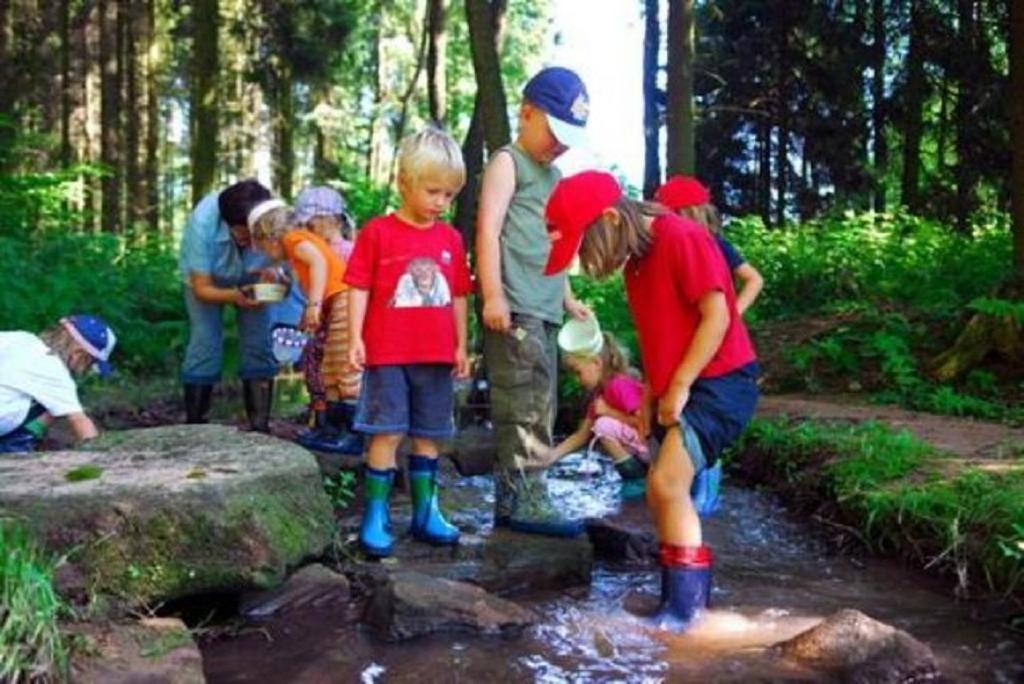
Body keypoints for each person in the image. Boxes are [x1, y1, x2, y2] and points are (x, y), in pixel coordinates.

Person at [544, 170, 760, 632]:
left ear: (610, 220)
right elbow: (659, 336)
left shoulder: (682, 236)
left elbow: (717, 315)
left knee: (664, 483)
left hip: (720, 381)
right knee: (664, 494)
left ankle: (685, 615)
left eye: (583, 247)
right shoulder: (638, 263)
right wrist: (647, 395)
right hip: (678, 383)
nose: (585, 262)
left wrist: (679, 384)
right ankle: (677, 599)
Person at [476, 66, 593, 537]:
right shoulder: (509, 162)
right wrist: (493, 294)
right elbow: (487, 231)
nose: (559, 145)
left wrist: (568, 300)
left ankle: (518, 498)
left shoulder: (555, 176)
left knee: (541, 401)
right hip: (514, 307)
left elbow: (555, 247)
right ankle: (526, 497)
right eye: (555, 133)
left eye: (569, 138)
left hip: (543, 308)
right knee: (519, 402)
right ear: (527, 114)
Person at [346, 127, 473, 557]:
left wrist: (461, 345)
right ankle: (376, 513)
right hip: (387, 353)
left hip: (436, 355)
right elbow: (358, 286)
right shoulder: (378, 233)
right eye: (433, 190)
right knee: (386, 432)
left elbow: (457, 294)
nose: (441, 202)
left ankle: (426, 510)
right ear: (404, 182)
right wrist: (354, 339)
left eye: (450, 195)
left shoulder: (451, 239)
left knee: (429, 433)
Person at [249, 200, 357, 454]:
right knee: (327, 367)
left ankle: (353, 433)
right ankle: (330, 428)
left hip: (342, 300)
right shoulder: (296, 247)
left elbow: (319, 263)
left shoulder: (294, 239)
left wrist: (314, 305)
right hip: (333, 302)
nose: (265, 254)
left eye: (263, 248)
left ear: (271, 237)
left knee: (343, 365)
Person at [179, 179, 279, 431]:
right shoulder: (202, 223)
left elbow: (283, 265)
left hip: (252, 276)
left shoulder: (273, 218)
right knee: (205, 340)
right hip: (206, 279)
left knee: (259, 341)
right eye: (245, 233)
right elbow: (202, 288)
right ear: (229, 224)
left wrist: (273, 275)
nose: (252, 238)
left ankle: (259, 426)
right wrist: (236, 296)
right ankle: (196, 426)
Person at [293, 186, 364, 454]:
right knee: (327, 375)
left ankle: (353, 434)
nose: (307, 230)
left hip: (345, 324)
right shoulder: (315, 251)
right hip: (325, 325)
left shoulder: (347, 251)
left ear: (330, 220)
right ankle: (330, 429)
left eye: (311, 224)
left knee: (348, 376)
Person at [541, 330, 650, 500]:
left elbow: (645, 422)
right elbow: (581, 436)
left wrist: (609, 412)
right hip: (641, 445)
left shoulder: (619, 385)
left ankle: (636, 478)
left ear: (596, 363)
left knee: (603, 425)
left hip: (652, 446)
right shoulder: (600, 396)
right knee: (600, 425)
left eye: (578, 372)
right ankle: (638, 475)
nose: (577, 380)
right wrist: (550, 457)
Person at [0, 315, 117, 452]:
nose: (87, 370)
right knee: (52, 407)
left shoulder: (22, 338)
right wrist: (97, 456)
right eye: (90, 363)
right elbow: (79, 420)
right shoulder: (56, 374)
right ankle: (13, 450)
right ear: (78, 355)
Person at [655, 176, 763, 317]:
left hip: (716, 323)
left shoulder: (716, 244)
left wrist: (733, 314)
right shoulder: (666, 250)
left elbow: (754, 279)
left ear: (690, 213)